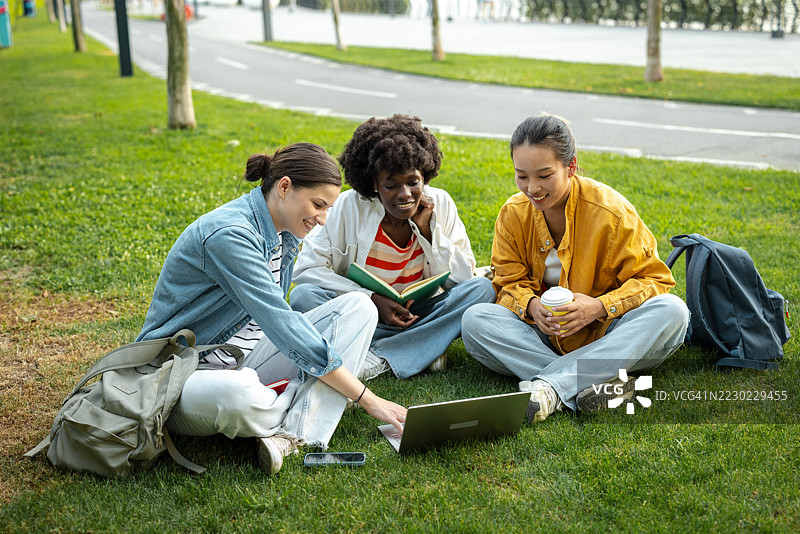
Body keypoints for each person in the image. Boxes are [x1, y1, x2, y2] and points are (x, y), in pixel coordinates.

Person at [136, 143, 406, 474]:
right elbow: (281, 322)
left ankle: (295, 436)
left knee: (359, 306)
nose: (321, 220)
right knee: (238, 395)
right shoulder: (230, 234)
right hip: (186, 373)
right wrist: (366, 397)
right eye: (318, 205)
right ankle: (317, 399)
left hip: (246, 355)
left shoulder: (286, 233)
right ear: (284, 187)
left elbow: (280, 327)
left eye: (328, 209)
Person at [461, 114, 689, 423]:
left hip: (612, 334)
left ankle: (552, 388)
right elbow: (506, 281)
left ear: (571, 167)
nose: (533, 188)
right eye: (522, 176)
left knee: (672, 311)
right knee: (476, 320)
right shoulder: (513, 214)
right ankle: (599, 381)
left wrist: (599, 306)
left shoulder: (611, 211)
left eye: (544, 175)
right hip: (544, 336)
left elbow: (654, 280)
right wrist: (531, 305)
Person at [290, 115, 495, 380]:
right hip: (363, 315)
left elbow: (463, 279)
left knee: (482, 289)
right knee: (303, 296)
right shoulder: (347, 206)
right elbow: (306, 270)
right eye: (391, 185)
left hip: (421, 312)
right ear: (373, 184)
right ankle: (425, 346)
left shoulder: (439, 204)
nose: (405, 194)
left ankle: (377, 356)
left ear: (425, 175)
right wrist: (370, 299)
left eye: (413, 182)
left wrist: (428, 233)